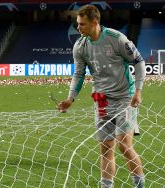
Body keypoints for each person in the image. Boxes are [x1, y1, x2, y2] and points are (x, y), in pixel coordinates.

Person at [57, 5, 146, 188]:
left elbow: (138, 62)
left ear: (95, 22)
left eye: (82, 24)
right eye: (77, 24)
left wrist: (138, 91)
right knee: (106, 149)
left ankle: (140, 184)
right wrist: (70, 98)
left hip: (124, 98)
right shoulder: (80, 46)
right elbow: (79, 74)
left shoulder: (116, 39)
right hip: (102, 100)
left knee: (124, 145)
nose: (78, 28)